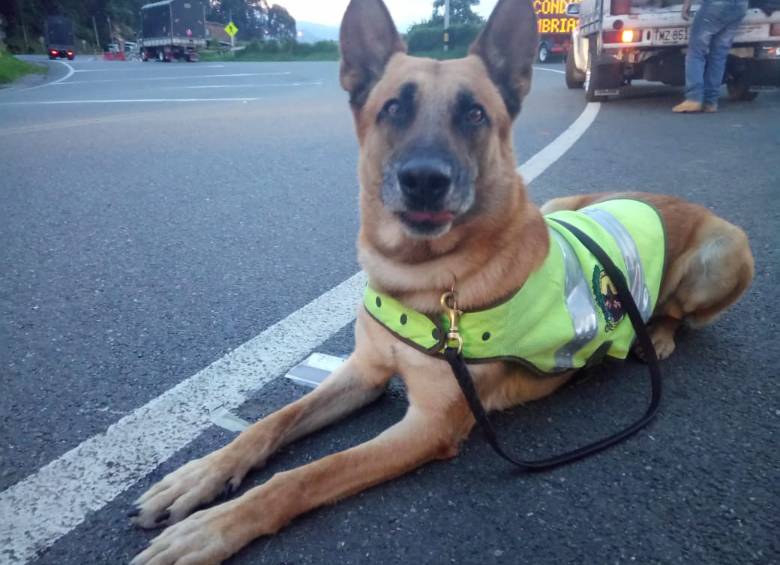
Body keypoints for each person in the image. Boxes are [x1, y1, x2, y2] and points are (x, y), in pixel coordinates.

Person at [673, 0, 749, 113]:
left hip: (715, 5)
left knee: (696, 53)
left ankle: (694, 98)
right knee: (719, 55)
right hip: (741, 5)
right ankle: (711, 102)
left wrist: (687, 4)